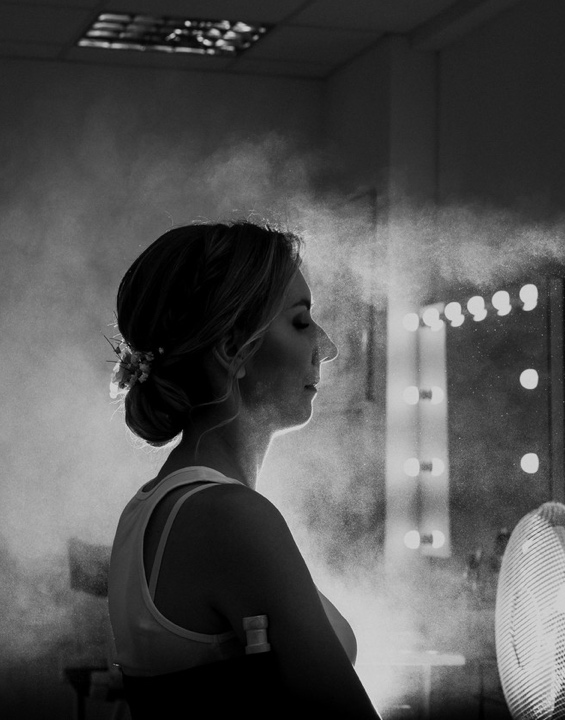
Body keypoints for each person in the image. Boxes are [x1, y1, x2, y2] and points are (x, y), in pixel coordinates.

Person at [106, 220, 381, 718]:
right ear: (233, 349)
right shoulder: (229, 517)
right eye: (301, 322)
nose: (328, 347)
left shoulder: (148, 509)